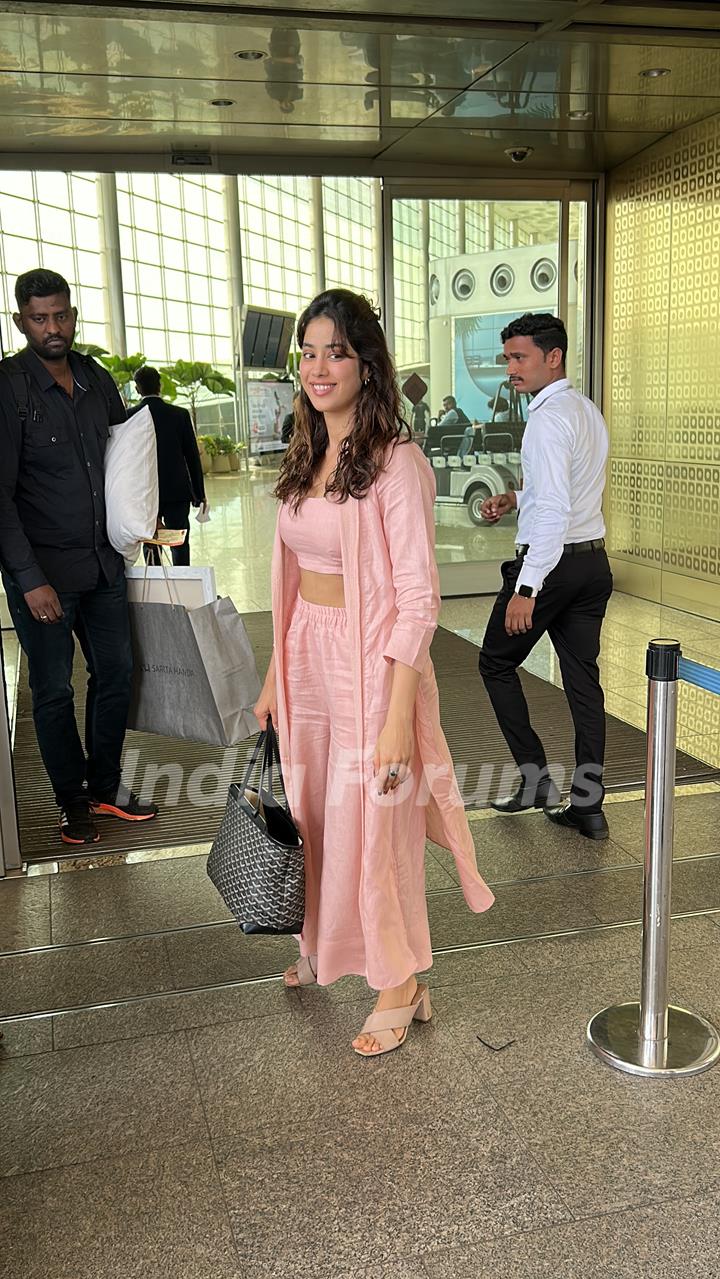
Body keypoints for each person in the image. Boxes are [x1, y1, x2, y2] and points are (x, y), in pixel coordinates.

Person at [254, 289, 493, 1056]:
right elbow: (290, 579)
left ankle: (399, 978)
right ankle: (327, 944)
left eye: (337, 352)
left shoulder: (398, 464)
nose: (319, 367)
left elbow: (420, 599)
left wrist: (397, 715)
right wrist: (272, 674)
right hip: (306, 656)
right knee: (318, 814)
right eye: (309, 351)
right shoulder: (306, 452)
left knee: (377, 821)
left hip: (371, 665)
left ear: (367, 364)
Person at [0, 268, 158, 846]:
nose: (53, 328)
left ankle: (105, 786)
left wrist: (140, 524)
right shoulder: (9, 388)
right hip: (43, 577)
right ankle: (71, 801)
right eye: (40, 319)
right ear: (21, 321)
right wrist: (27, 578)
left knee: (116, 674)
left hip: (103, 566)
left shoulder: (95, 378)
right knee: (54, 691)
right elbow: (0, 498)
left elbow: (123, 462)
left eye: (61, 315)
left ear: (73, 313)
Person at [477, 312, 612, 839]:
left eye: (519, 357)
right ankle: (589, 805)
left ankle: (534, 778)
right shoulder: (584, 410)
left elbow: (555, 511)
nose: (510, 367)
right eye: (507, 357)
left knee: (494, 663)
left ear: (552, 357)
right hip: (591, 563)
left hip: (551, 568)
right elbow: (566, 495)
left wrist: (527, 587)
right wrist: (517, 498)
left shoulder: (547, 419)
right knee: (584, 683)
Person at [129, 365, 205, 567]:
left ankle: (155, 583)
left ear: (137, 389)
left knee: (151, 541)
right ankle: (182, 579)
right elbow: (192, 457)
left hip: (145, 494)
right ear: (160, 385)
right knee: (180, 541)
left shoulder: (130, 416)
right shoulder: (179, 414)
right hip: (177, 492)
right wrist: (199, 493)